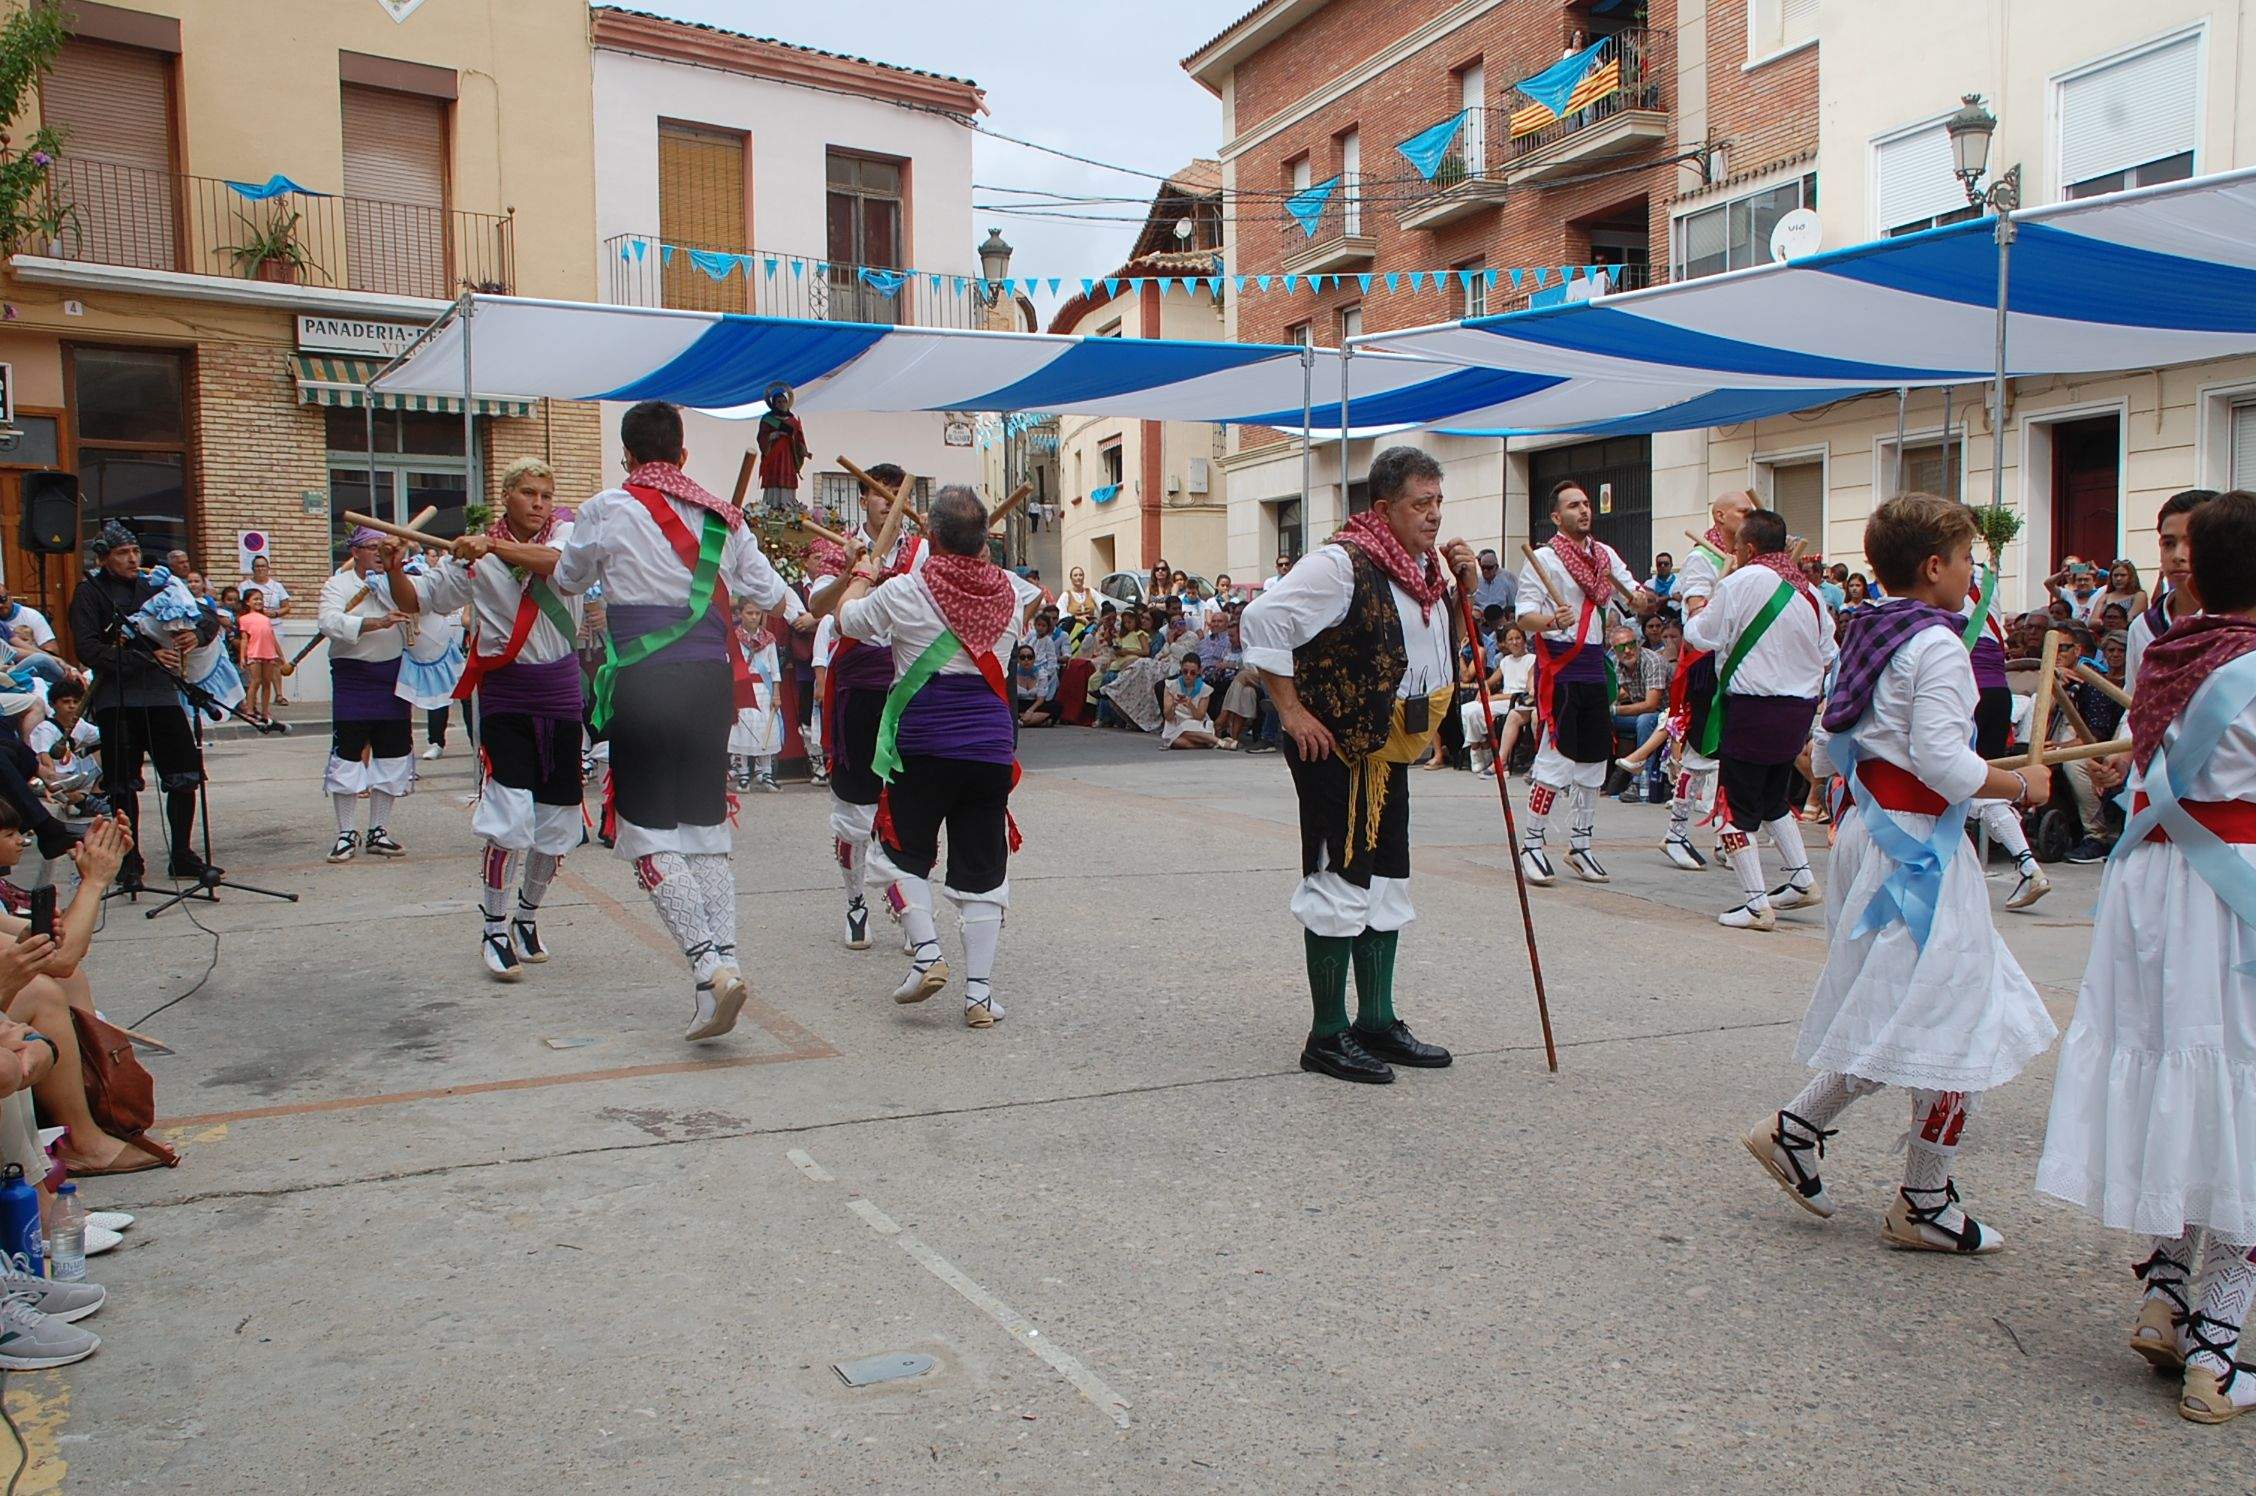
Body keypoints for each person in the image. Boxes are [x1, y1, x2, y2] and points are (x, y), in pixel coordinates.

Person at [1744, 494, 2055, 1256]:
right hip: (1918, 852)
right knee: (1958, 1016)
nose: (1973, 573)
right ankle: (1921, 1198)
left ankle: (1804, 1133)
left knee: (1907, 1009)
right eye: (1968, 559)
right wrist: (2022, 785)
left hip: (1873, 840)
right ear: (1934, 566)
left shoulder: (1868, 631)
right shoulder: (1937, 645)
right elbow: (1946, 765)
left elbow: (1824, 755)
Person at [2035, 489, 2256, 1423]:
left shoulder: (2171, 650)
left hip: (2158, 886)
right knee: (2238, 1098)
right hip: (2232, 888)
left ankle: (2167, 1294)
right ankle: (2218, 1346)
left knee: (2185, 1080)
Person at [547, 401, 790, 1041]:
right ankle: (721, 974)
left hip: (646, 681)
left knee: (647, 832)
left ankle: (708, 964)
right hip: (711, 682)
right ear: (683, 454)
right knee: (704, 829)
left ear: (627, 455)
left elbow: (568, 578)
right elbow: (771, 595)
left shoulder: (606, 508)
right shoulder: (723, 517)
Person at [1242, 445, 1477, 1084]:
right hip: (1337, 747)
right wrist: (1291, 712)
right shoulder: (1341, 564)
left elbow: (1433, 645)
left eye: (1438, 502)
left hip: (1388, 748)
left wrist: (1464, 594)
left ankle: (1376, 1020)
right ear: (1384, 507)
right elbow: (1262, 620)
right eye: (1420, 504)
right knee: (1339, 883)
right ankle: (1326, 1035)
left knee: (1388, 881)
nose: (1434, 515)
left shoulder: (1423, 571)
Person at [833, 486, 1041, 1028]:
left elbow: (846, 620)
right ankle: (979, 997)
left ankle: (927, 956)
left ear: (930, 536)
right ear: (984, 540)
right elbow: (1036, 598)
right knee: (983, 869)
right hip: (990, 746)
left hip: (922, 743)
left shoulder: (907, 589)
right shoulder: (1011, 591)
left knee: (899, 854)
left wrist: (862, 572)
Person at [409, 458, 586, 983]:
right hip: (507, 696)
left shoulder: (568, 536)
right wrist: (395, 568)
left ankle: (527, 917)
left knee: (557, 821)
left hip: (560, 695)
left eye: (546, 494)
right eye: (529, 493)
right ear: (506, 495)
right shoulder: (472, 555)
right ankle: (493, 928)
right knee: (509, 817)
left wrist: (491, 547)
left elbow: (558, 565)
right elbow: (418, 598)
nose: (539, 503)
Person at [1682, 509, 1833, 930]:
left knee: (1735, 808)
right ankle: (1802, 881)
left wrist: (1701, 603)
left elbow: (1700, 635)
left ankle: (1755, 904)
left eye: (1735, 547)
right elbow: (1828, 652)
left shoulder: (1739, 582)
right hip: (1798, 710)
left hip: (1752, 707)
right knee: (1771, 799)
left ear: (1748, 548)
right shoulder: (1810, 592)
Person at [807, 461, 927, 956]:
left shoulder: (923, 551)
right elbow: (818, 610)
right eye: (881, 493)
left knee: (910, 808)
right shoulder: (841, 547)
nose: (891, 502)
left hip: (910, 689)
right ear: (864, 500)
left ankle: (910, 910)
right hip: (858, 689)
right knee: (855, 810)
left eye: (899, 494)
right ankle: (856, 901)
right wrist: (851, 572)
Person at [1514, 481, 1655, 885]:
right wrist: (1550, 620)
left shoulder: (1603, 556)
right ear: (1556, 517)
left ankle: (1580, 844)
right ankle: (1532, 844)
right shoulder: (1544, 559)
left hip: (1595, 668)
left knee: (1594, 761)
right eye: (1574, 505)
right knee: (1556, 758)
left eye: (1586, 504)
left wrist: (1641, 599)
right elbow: (1524, 616)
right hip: (1561, 668)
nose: (1583, 510)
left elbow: (1634, 594)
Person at [66, 521, 218, 886]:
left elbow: (208, 617)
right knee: (122, 785)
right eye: (123, 553)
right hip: (117, 700)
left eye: (135, 551)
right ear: (103, 558)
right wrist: (147, 658)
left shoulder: (156, 584)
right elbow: (88, 649)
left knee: (184, 776)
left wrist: (195, 635)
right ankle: (129, 858)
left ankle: (181, 854)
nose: (133, 559)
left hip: (162, 696)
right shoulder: (90, 593)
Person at [1655, 490, 1755, 871]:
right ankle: (1676, 832)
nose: (1750, 515)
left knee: (1732, 754)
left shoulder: (1749, 556)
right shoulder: (1702, 558)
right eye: (1743, 511)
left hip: (1737, 663)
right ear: (1720, 516)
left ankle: (1724, 836)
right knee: (1701, 753)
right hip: (1705, 665)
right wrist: (1725, 579)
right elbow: (1697, 620)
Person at [318, 527, 417, 864]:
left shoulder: (398, 584)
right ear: (355, 552)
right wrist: (375, 622)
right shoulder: (337, 585)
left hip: (393, 678)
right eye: (372, 547)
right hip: (354, 679)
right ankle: (346, 832)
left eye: (383, 547)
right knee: (347, 756)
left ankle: (379, 830)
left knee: (392, 755)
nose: (378, 552)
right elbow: (328, 622)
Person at [1960, 548, 2052, 909]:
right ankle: (2027, 867)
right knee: (1983, 781)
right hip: (1997, 691)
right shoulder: (1987, 577)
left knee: (1969, 781)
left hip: (1966, 691)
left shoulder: (1937, 577)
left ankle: (2024, 867)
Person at [2131, 490, 2219, 687]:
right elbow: (2131, 698)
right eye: (2169, 544)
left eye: (2193, 542)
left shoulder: (2239, 626)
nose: (2178, 555)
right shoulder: (2143, 627)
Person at [1460, 623, 1535, 777]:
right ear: (1505, 643)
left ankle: (1480, 750)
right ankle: (1479, 747)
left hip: (1516, 701)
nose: (1514, 642)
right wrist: (1485, 688)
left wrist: (1495, 697)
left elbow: (1526, 692)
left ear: (1523, 640)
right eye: (1510, 639)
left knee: (1477, 710)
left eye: (1518, 638)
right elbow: (1489, 681)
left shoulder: (1531, 659)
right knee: (1467, 708)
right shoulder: (1506, 661)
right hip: (1502, 700)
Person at [1608, 625, 1668, 804]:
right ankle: (1592, 773)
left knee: (1645, 720)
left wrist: (1614, 710)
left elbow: (1651, 705)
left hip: (1665, 716)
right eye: (1621, 647)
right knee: (1598, 717)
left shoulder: (1653, 661)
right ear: (1614, 650)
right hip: (1640, 712)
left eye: (1631, 644)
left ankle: (1640, 781)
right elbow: (1618, 692)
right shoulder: (1615, 664)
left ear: (1638, 644)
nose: (1627, 650)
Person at [728, 603, 783, 792]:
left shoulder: (769, 639)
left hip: (764, 688)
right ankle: (743, 774)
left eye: (757, 613)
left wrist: (776, 693)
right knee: (742, 729)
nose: (753, 617)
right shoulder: (734, 638)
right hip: (743, 688)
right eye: (749, 613)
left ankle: (767, 773)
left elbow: (775, 668)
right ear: (740, 614)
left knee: (765, 729)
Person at [754, 381, 810, 517]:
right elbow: (762, 437)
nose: (782, 404)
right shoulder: (768, 419)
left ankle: (788, 509)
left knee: (787, 480)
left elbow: (799, 438)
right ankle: (771, 508)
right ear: (773, 404)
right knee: (773, 481)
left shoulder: (793, 421)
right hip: (773, 456)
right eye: (778, 402)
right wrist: (772, 435)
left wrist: (803, 450)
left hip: (788, 457)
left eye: (784, 401)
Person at [1161, 653, 1221, 749]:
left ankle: (1219, 742)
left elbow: (1200, 717)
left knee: (1185, 727)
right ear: (1181, 668)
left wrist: (1190, 705)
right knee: (1176, 742)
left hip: (1196, 724)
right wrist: (1173, 704)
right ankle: (1208, 742)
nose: (1188, 675)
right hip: (1176, 724)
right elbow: (1168, 717)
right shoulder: (1171, 685)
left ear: (1199, 671)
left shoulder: (1204, 689)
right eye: (1185, 672)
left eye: (1192, 673)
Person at [243, 554, 292, 619]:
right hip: (252, 623)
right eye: (257, 566)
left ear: (268, 568)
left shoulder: (277, 586)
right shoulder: (244, 586)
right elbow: (239, 607)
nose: (260, 569)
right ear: (252, 569)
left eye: (263, 566)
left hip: (274, 623)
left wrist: (276, 613)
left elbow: (286, 608)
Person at [1471, 548, 1517, 616]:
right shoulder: (1476, 580)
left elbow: (1512, 605)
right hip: (1479, 616)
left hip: (1500, 616)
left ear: (1496, 567)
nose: (1485, 571)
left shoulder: (1507, 578)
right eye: (1483, 567)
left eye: (1489, 568)